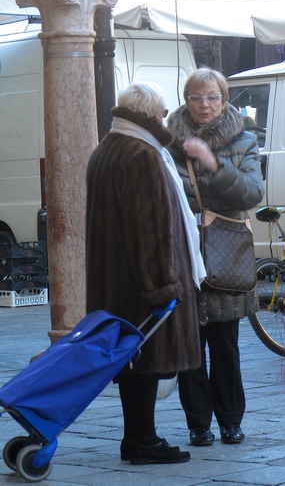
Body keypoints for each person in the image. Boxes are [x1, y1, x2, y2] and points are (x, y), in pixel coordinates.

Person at [85, 82, 206, 464]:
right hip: (143, 281)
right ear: (152, 114)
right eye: (162, 113)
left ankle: (136, 437)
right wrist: (162, 286)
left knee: (133, 361)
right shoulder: (142, 154)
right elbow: (151, 229)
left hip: (116, 279)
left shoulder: (107, 147)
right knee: (147, 360)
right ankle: (144, 441)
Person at [167, 68, 265, 447]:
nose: (204, 105)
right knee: (189, 344)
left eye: (212, 97)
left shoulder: (244, 140)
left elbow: (251, 194)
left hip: (225, 252)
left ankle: (230, 420)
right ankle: (198, 423)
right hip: (184, 250)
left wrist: (213, 163)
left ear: (224, 100)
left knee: (225, 343)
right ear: (186, 100)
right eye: (196, 97)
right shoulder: (170, 142)